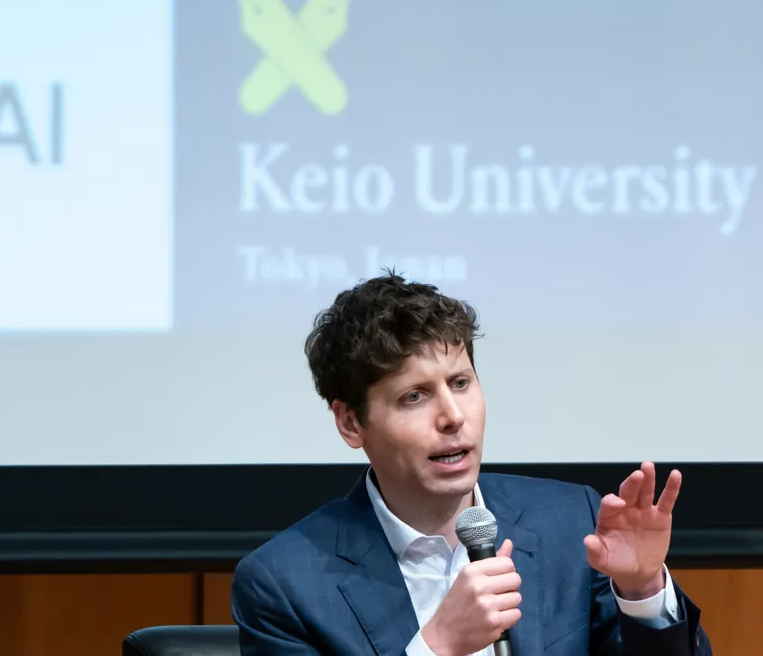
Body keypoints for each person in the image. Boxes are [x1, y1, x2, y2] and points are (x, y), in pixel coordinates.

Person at [230, 272, 712, 656]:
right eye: (414, 396)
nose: (453, 416)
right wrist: (437, 648)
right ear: (351, 423)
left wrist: (642, 590)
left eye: (460, 383)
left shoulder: (570, 523)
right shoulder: (284, 584)